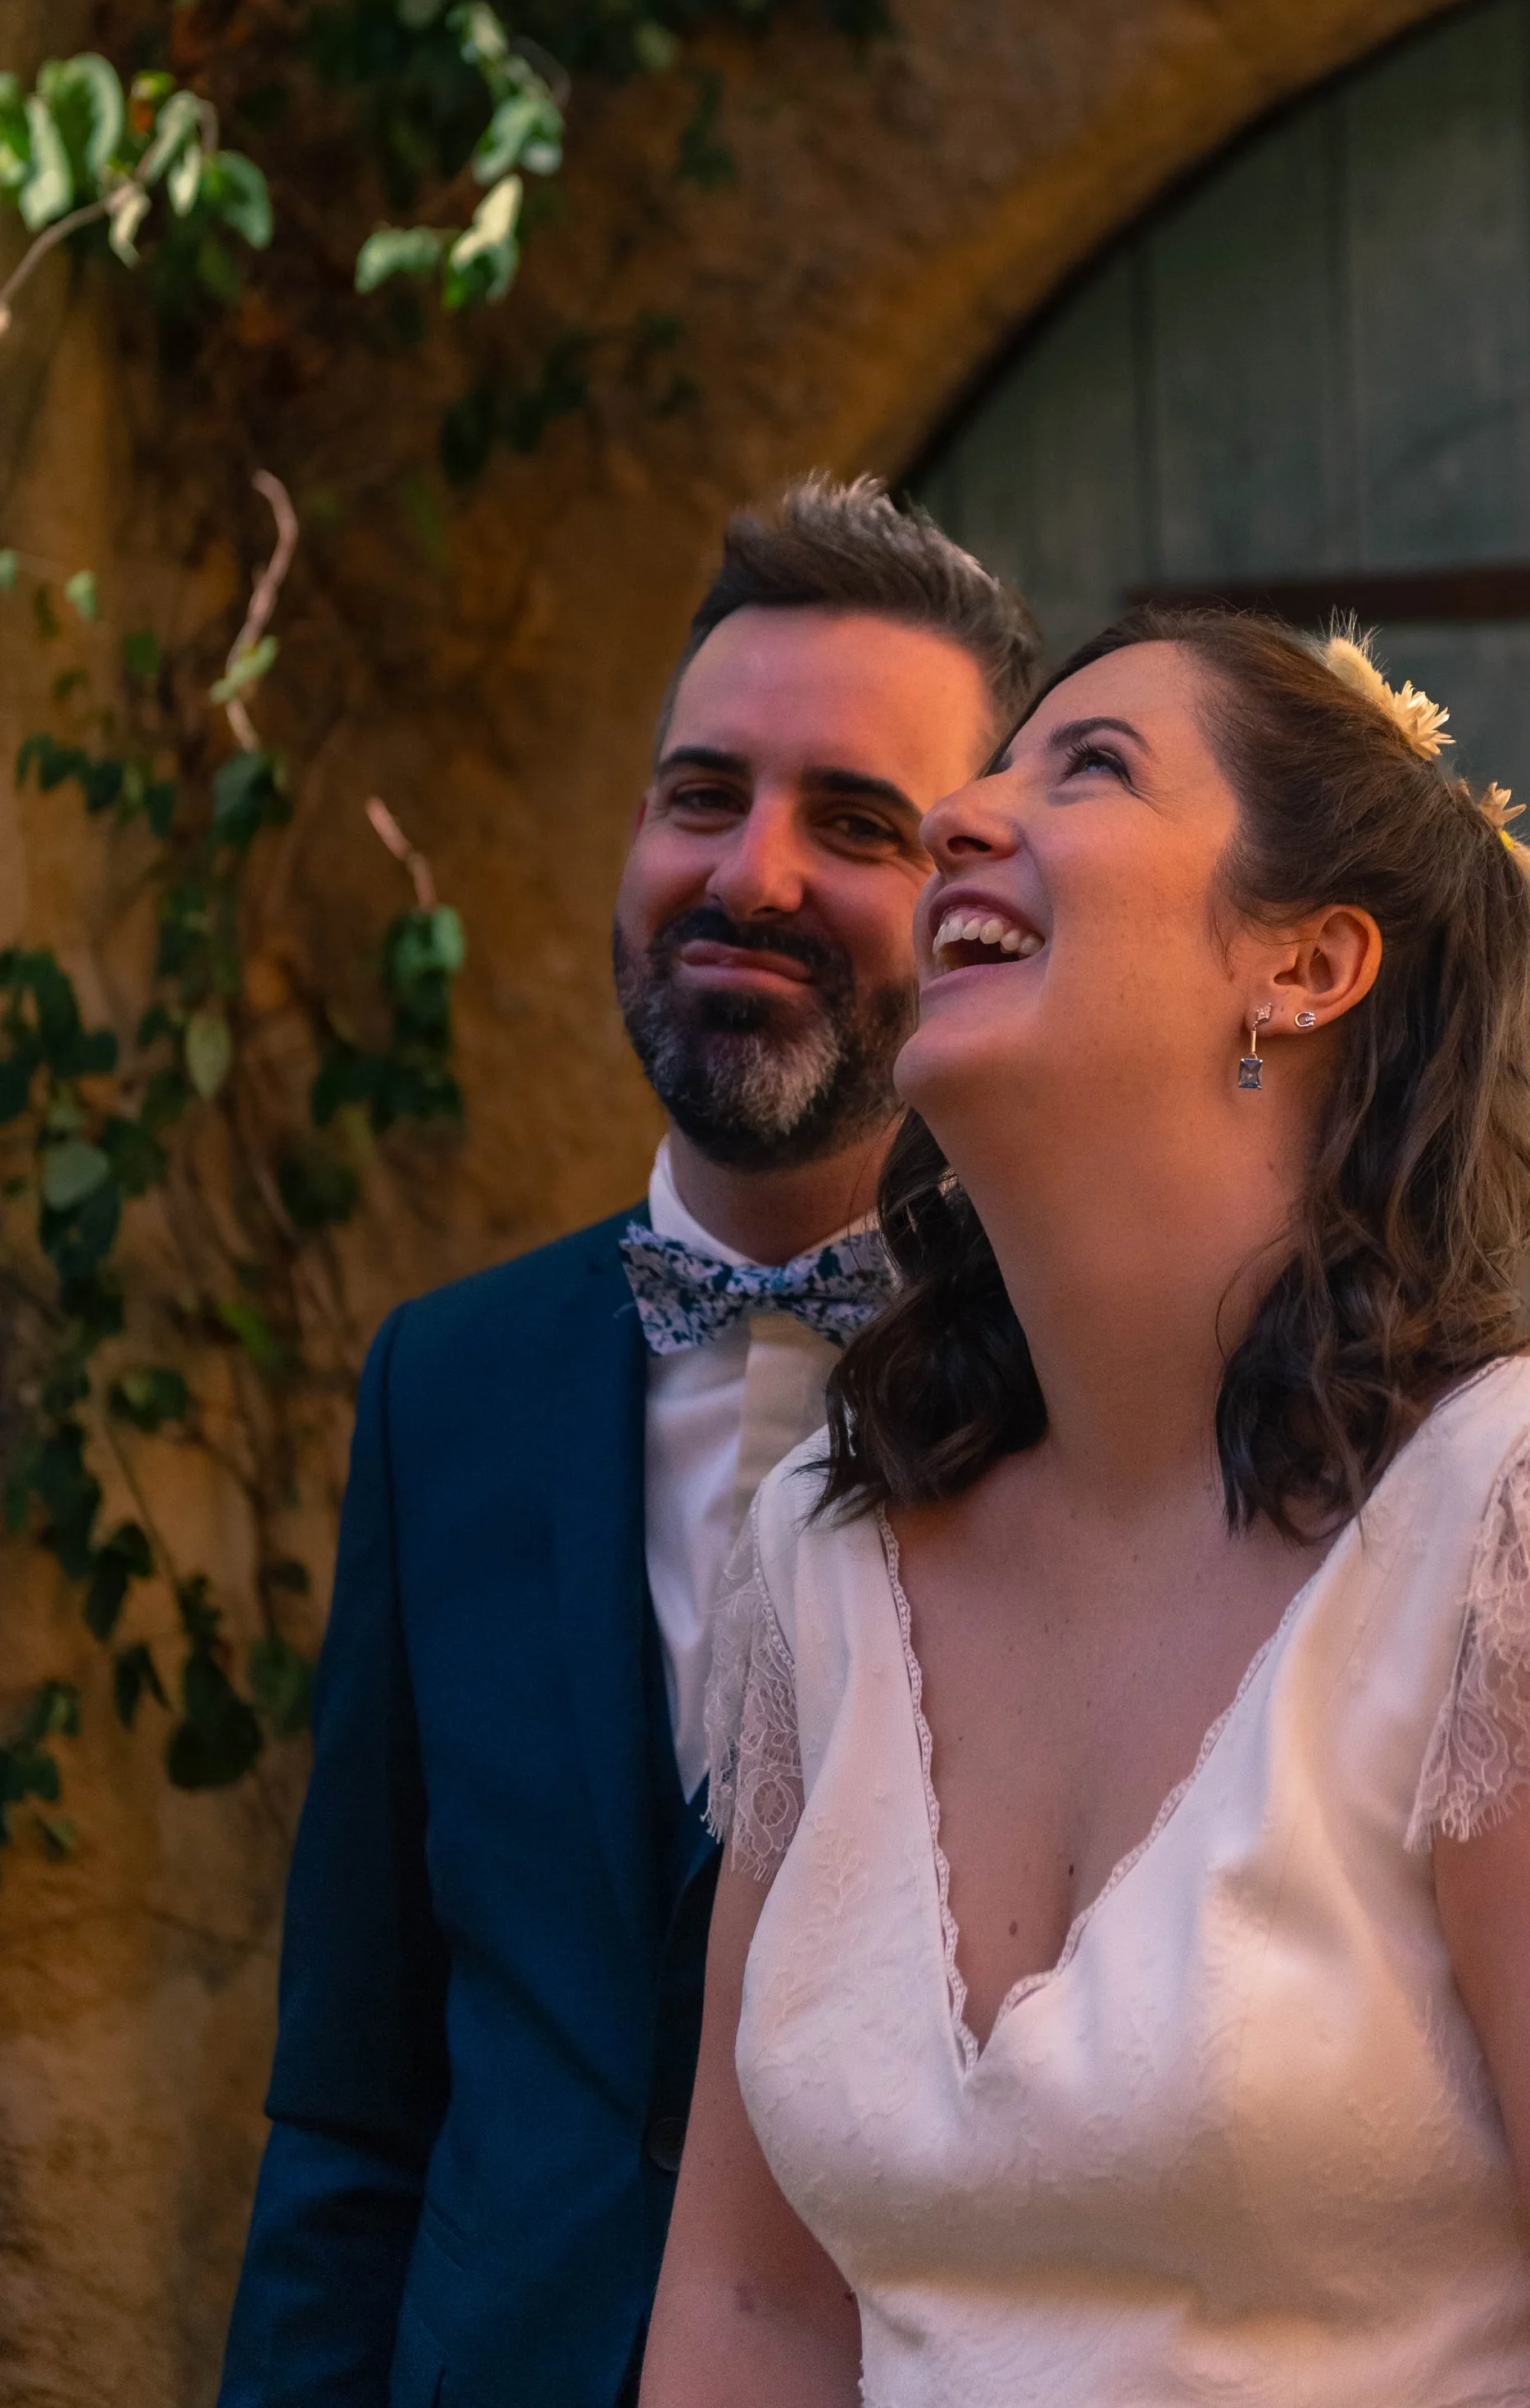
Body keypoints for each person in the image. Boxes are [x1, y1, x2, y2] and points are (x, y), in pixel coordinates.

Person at [644, 605, 1530, 2408]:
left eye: (1085, 768)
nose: (960, 819)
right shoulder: (815, 1566)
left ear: (1304, 967)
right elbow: (753, 2317)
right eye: (990, 768)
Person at [216, 481, 1042, 2408]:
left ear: (980, 906)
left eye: (854, 824)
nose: (747, 874)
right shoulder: (447, 1387)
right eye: (698, 795)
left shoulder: (1089, 1397)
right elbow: (351, 2110)